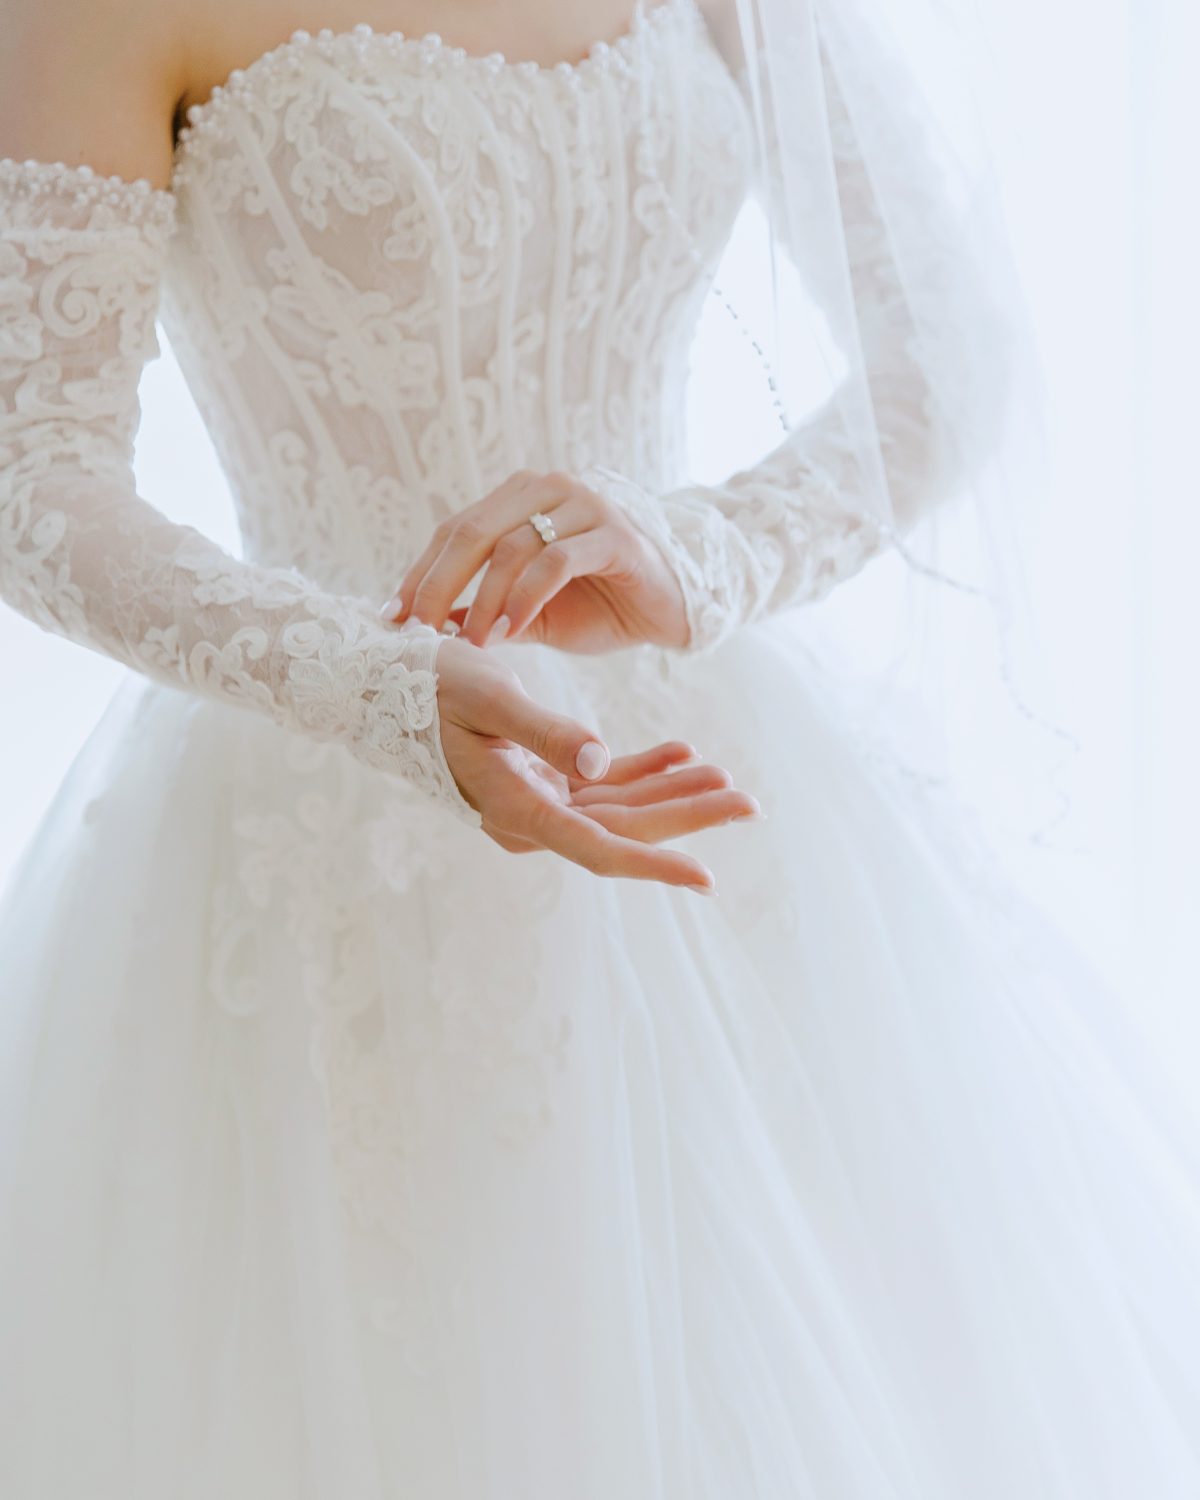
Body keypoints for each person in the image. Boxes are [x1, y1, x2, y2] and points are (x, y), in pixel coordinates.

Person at [2, 0, 1199, 1495]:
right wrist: (370, 683)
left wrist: (696, 551)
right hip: (322, 807)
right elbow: (34, 476)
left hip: (718, 787)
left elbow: (948, 356)